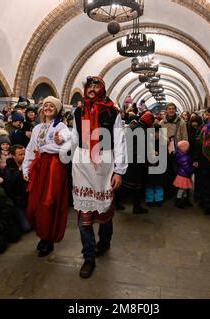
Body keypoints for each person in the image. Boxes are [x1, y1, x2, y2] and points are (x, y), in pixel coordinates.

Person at [72, 76, 127, 279]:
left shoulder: (112, 111)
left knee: (104, 209)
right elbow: (76, 138)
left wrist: (119, 170)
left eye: (96, 86)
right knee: (84, 213)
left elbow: (120, 141)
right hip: (83, 163)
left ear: (102, 89)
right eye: (90, 86)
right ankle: (88, 257)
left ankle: (104, 242)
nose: (92, 89)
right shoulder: (79, 111)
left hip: (104, 163)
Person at [23, 96, 71, 258]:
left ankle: (48, 239)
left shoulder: (61, 126)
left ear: (57, 109)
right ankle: (42, 233)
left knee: (49, 203)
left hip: (54, 168)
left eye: (52, 106)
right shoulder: (37, 128)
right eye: (45, 105)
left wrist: (62, 139)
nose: (48, 108)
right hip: (39, 167)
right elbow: (31, 149)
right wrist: (26, 168)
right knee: (35, 203)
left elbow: (69, 139)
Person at [122, 111, 154, 215]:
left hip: (131, 160)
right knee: (137, 185)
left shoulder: (136, 126)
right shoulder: (142, 130)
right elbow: (142, 148)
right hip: (137, 162)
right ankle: (136, 207)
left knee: (128, 184)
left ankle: (117, 202)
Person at [173, 140, 194, 209]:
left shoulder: (181, 154)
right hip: (183, 175)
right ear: (184, 147)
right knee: (182, 189)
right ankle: (178, 201)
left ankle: (184, 200)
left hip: (182, 174)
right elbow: (186, 166)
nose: (188, 148)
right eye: (187, 147)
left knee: (184, 188)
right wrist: (192, 170)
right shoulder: (184, 157)